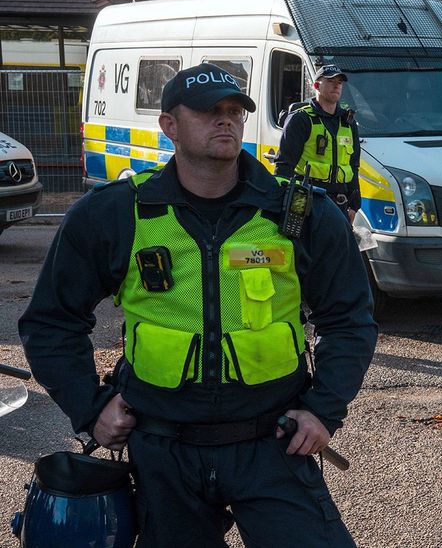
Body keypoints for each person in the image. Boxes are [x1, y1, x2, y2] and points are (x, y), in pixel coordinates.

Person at [19, 63, 377, 547]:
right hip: (163, 451)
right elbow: (51, 323)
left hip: (272, 443)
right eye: (209, 111)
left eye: (234, 111)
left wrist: (323, 411)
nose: (225, 120)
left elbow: (350, 319)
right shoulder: (117, 213)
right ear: (169, 125)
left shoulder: (299, 213)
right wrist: (91, 408)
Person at [275, 64, 361, 221]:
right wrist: (280, 203)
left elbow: (353, 165)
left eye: (339, 82)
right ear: (316, 86)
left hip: (338, 200)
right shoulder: (301, 119)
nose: (336, 85)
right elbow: (283, 165)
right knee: (297, 236)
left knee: (339, 238)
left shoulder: (348, 123)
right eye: (330, 81)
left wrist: (354, 205)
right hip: (303, 196)